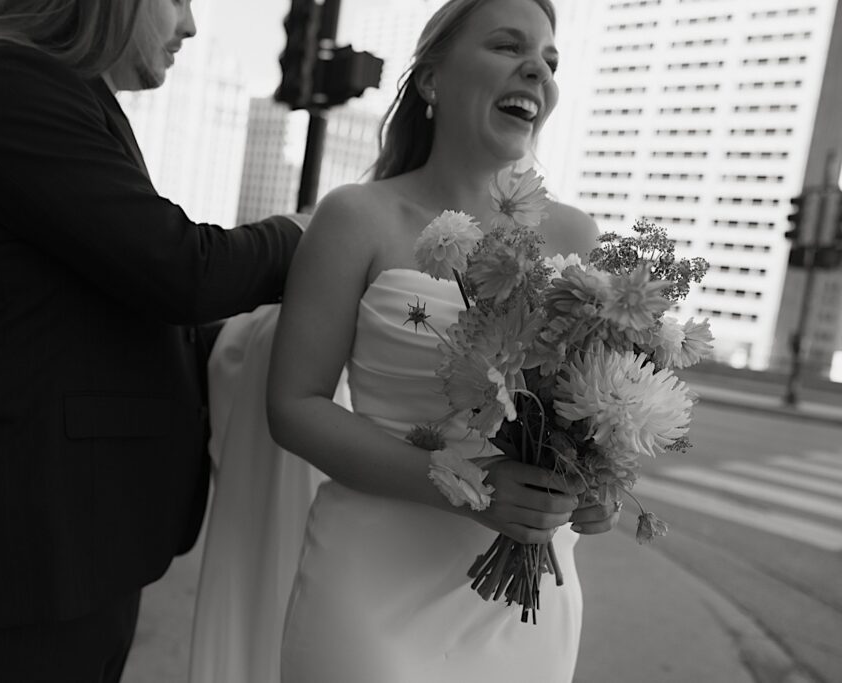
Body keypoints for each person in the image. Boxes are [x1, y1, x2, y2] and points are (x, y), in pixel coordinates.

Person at [194, 0, 619, 680]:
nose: (536, 69)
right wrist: (468, 484)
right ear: (431, 81)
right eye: (508, 46)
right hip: (370, 586)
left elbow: (593, 410)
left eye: (549, 59)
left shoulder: (575, 239)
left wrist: (597, 484)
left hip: (525, 608)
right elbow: (295, 406)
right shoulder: (356, 218)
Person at [0, 1, 302, 681]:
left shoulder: (58, 90)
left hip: (76, 540)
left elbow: (122, 306)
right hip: (28, 543)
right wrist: (307, 233)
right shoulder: (2, 80)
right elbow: (177, 270)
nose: (191, 26)